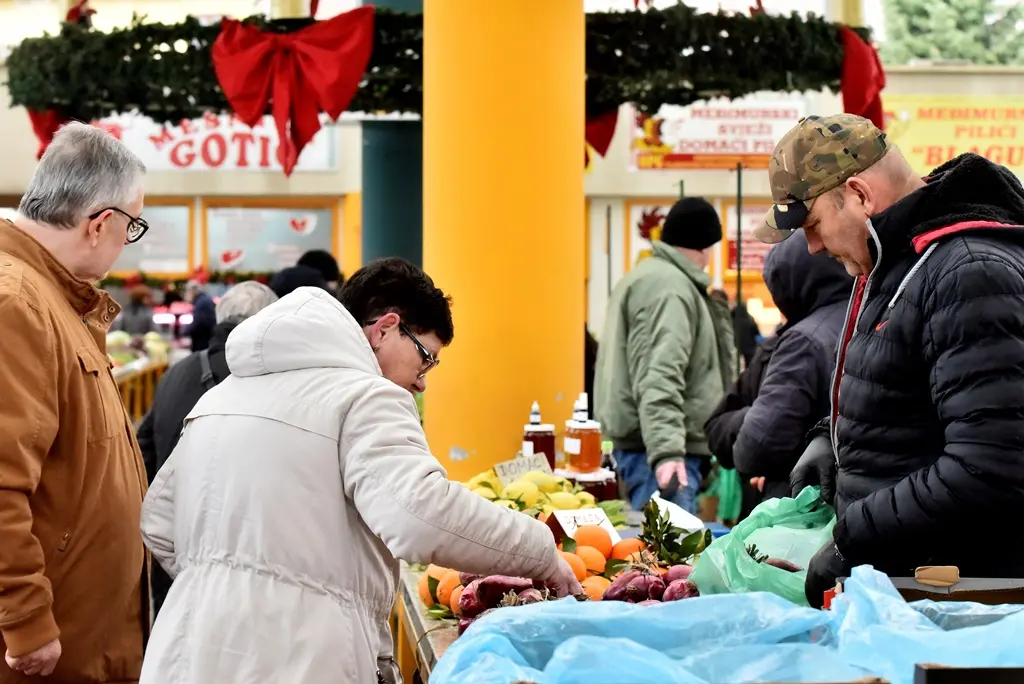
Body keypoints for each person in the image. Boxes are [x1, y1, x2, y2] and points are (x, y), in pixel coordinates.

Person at [138, 258, 580, 684]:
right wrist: (541, 551)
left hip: (186, 652)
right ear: (386, 328)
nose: (423, 380)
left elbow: (159, 523)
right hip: (299, 657)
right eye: (425, 357)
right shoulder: (365, 397)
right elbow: (421, 514)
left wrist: (226, 580)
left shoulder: (222, 396)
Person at [757, 113, 1024, 607]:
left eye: (812, 225)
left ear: (859, 195)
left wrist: (854, 537)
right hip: (903, 591)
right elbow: (909, 388)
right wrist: (830, 437)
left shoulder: (970, 271)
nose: (811, 247)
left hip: (957, 600)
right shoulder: (896, 263)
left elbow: (990, 465)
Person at [0, 122, 148, 681]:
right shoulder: (18, 304)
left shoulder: (54, 300)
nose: (125, 241)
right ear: (100, 223)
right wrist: (26, 618)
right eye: (132, 226)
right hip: (51, 648)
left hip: (81, 633)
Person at [136, 280, 278, 617]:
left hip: (172, 551)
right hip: (239, 559)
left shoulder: (176, 373)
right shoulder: (267, 378)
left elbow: (144, 451)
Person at [594, 197, 735, 514]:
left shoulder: (653, 279)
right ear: (704, 247)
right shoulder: (669, 289)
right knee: (671, 543)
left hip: (652, 445)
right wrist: (667, 453)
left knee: (657, 543)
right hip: (661, 454)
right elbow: (659, 374)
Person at [704, 230, 851, 515]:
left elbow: (756, 447)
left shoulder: (803, 342)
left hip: (804, 508)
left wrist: (750, 418)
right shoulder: (869, 316)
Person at [184, 279, 216, 351]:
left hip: (203, 341)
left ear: (192, 291)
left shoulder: (201, 302)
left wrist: (186, 330)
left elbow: (199, 322)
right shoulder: (203, 300)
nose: (186, 294)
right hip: (207, 339)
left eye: (187, 291)